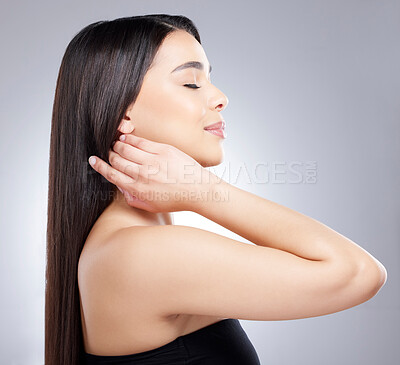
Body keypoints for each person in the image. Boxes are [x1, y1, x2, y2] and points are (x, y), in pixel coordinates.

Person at [45, 14, 387, 365]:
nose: (221, 97)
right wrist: (202, 190)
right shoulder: (139, 252)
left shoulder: (131, 243)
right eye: (192, 83)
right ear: (123, 112)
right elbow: (359, 273)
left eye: (210, 78)